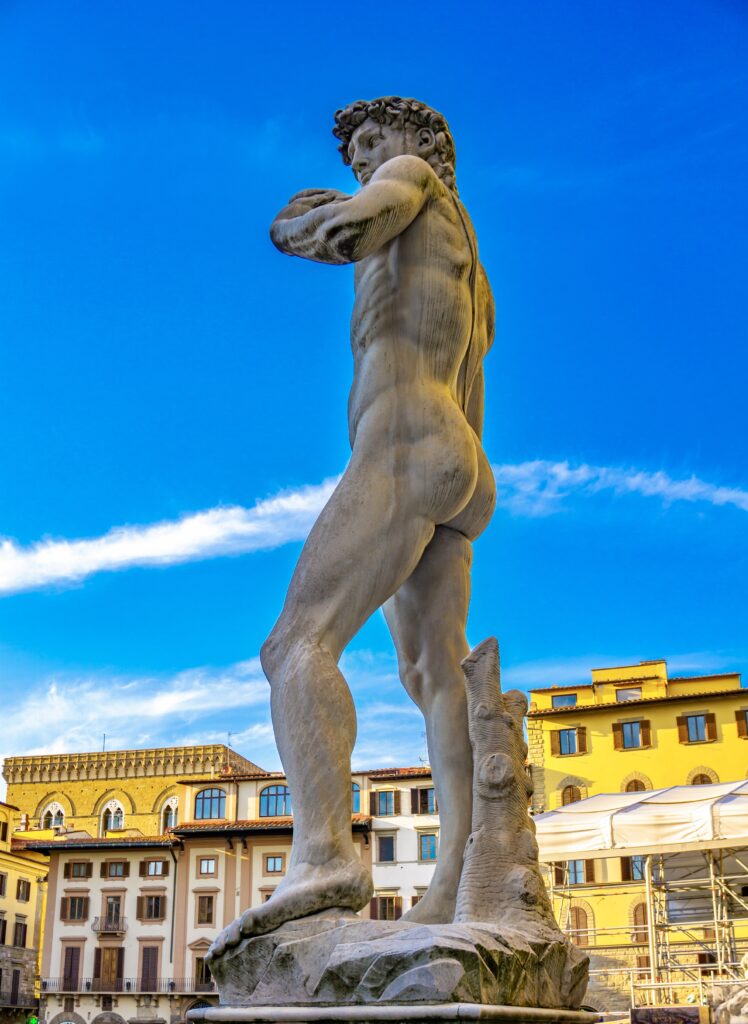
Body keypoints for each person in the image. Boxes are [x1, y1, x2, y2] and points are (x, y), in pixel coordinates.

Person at [209, 97, 496, 958]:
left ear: (421, 144)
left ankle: (326, 854)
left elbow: (350, 234)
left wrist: (292, 223)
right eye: (358, 151)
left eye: (374, 141)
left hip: (404, 435)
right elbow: (473, 379)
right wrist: (458, 484)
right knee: (434, 675)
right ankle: (458, 882)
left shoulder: (409, 182)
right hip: (460, 452)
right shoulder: (474, 268)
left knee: (295, 644)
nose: (365, 158)